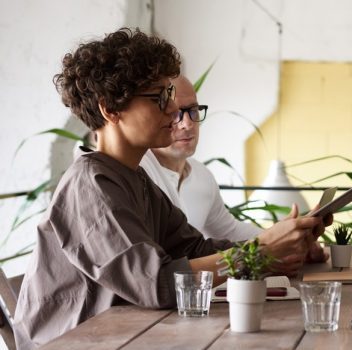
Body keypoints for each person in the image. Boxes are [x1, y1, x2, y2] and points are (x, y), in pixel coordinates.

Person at [14, 28, 329, 349]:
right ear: (110, 108)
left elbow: (193, 249)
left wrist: (278, 249)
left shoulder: (132, 177)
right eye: (160, 97)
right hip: (71, 343)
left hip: (122, 336)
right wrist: (259, 250)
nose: (173, 110)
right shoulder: (92, 185)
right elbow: (158, 285)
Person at [139, 75, 327, 274]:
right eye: (175, 113)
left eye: (193, 111)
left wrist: (284, 239)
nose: (187, 123)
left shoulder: (202, 176)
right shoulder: (140, 172)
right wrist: (267, 250)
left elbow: (230, 230)